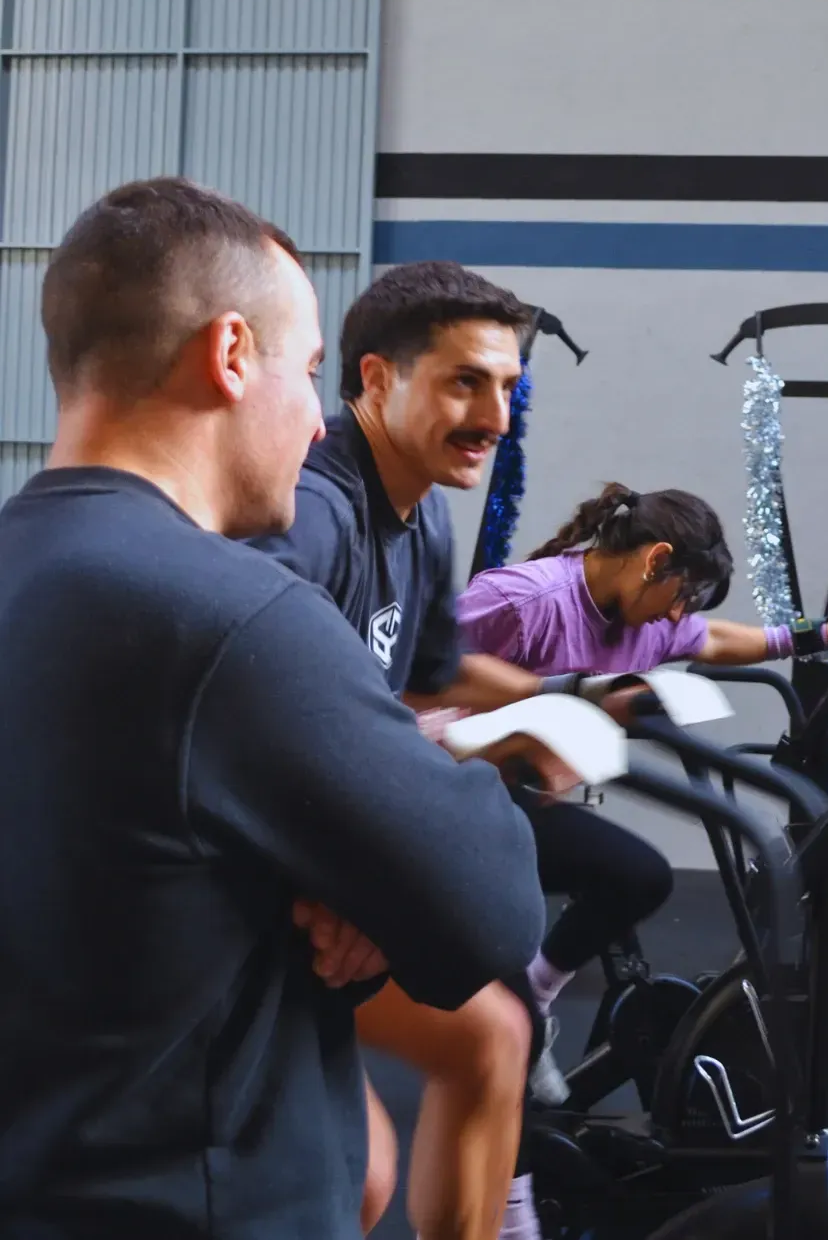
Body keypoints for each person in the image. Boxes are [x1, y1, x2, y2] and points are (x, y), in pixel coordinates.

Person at [0, 179, 551, 1240]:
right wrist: (390, 863)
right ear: (231, 354)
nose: (314, 419)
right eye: (307, 375)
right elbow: (490, 906)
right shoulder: (241, 617)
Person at [244, 260, 605, 1240]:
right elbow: (255, 714)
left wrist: (559, 709)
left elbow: (437, 665)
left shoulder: (424, 510)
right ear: (374, 380)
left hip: (323, 869)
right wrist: (360, 888)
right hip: (248, 894)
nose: (495, 412)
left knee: (496, 1033)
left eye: (505, 386)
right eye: (464, 382)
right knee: (356, 1175)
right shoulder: (316, 515)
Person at [455, 480, 828, 1072]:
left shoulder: (648, 619)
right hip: (451, 786)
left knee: (640, 877)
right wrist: (518, 728)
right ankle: (510, 1027)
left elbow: (713, 638)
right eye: (681, 596)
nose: (678, 617)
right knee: (524, 914)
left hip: (520, 795)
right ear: (655, 560)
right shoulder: (526, 600)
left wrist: (808, 636)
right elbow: (420, 670)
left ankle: (533, 997)